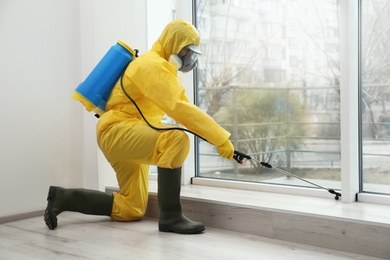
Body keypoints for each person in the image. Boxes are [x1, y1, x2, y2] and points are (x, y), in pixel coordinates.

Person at [44, 20, 234, 234]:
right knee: (176, 139)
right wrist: (220, 139)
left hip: (128, 133)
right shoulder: (152, 65)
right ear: (172, 44)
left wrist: (218, 139)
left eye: (193, 54)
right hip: (117, 131)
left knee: (131, 208)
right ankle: (171, 216)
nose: (189, 59)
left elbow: (178, 109)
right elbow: (180, 108)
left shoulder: (161, 68)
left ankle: (63, 198)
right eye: (187, 51)